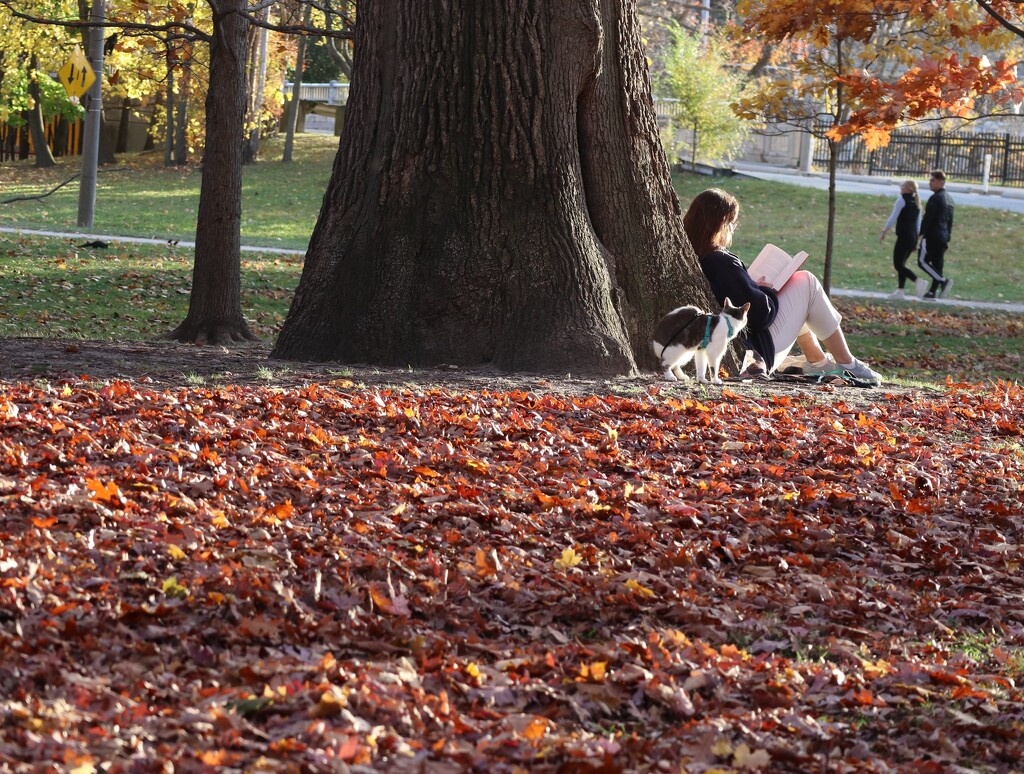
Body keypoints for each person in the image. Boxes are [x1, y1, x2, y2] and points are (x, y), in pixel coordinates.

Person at [682, 188, 882, 383]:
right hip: (754, 354)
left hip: (735, 342)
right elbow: (761, 315)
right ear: (721, 225)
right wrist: (767, 291)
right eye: (732, 224)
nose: (733, 229)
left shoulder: (692, 254)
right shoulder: (720, 261)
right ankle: (847, 363)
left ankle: (818, 361)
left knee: (799, 290)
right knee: (807, 282)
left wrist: (753, 287)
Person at [880, 180, 921, 298]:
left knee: (898, 265)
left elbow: (893, 218)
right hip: (912, 237)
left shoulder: (901, 201)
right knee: (902, 264)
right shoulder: (917, 203)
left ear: (908, 188)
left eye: (902, 186)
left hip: (904, 236)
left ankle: (917, 281)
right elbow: (918, 224)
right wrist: (916, 241)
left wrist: (884, 231)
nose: (901, 188)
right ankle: (900, 291)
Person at [917, 169, 955, 299]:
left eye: (932, 180)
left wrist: (919, 234)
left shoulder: (935, 198)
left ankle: (943, 281)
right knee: (937, 264)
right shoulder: (950, 199)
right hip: (943, 237)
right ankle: (932, 292)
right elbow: (950, 221)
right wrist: (947, 238)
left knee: (922, 262)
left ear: (941, 182)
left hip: (932, 236)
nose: (929, 183)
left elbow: (928, 218)